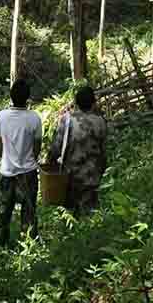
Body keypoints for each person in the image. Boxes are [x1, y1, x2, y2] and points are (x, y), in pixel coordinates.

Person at [0, 78, 42, 247]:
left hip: (7, 172)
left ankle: (0, 246)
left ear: (11, 96)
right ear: (28, 98)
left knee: (3, 213)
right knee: (28, 213)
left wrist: (8, 159)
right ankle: (28, 247)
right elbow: (37, 148)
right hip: (28, 173)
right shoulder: (34, 118)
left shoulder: (2, 116)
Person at [48, 85, 107, 214]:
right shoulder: (100, 122)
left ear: (77, 103)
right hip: (93, 179)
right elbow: (103, 152)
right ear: (93, 103)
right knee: (90, 217)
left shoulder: (68, 120)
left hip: (71, 179)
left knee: (72, 217)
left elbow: (55, 148)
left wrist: (50, 165)